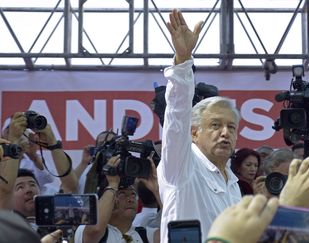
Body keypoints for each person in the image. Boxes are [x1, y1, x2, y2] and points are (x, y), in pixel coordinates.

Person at [157, 9, 241, 242]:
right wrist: (183, 61)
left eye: (231, 127)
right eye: (215, 125)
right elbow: (177, 115)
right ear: (193, 132)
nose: (225, 133)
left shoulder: (232, 181)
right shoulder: (183, 165)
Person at [74, 155, 159, 243]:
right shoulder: (84, 229)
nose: (130, 200)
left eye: (133, 195)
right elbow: (95, 230)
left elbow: (172, 232)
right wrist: (113, 184)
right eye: (122, 194)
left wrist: (156, 190)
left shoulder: (145, 235)